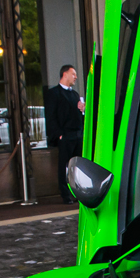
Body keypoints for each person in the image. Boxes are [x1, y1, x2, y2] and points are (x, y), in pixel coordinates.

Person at [43, 64, 84, 203]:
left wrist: (82, 110)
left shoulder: (75, 94)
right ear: (65, 74)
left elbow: (78, 114)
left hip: (77, 134)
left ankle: (78, 193)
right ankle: (65, 194)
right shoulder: (54, 93)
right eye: (73, 74)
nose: (76, 77)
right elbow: (51, 115)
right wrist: (59, 134)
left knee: (77, 166)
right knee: (64, 166)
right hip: (65, 135)